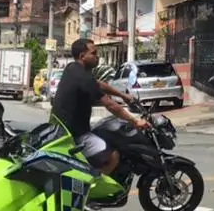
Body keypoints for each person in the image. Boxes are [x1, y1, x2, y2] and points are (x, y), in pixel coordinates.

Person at [51, 38, 148, 175]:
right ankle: (93, 188)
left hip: (60, 131)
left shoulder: (72, 69)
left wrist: (123, 96)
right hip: (75, 136)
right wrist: (135, 121)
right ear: (82, 56)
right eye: (94, 53)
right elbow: (110, 105)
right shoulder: (84, 78)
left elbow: (98, 84)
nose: (97, 57)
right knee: (113, 156)